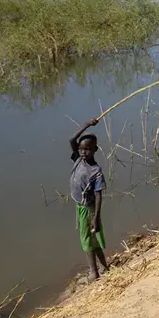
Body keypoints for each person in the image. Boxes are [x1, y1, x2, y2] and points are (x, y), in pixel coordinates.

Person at [69, 118, 109, 280]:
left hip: (89, 209)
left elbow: (99, 194)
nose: (84, 152)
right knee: (93, 239)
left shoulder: (95, 171)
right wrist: (86, 125)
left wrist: (96, 218)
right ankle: (104, 267)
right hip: (81, 206)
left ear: (95, 150)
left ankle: (94, 273)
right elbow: (72, 139)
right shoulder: (78, 160)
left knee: (87, 240)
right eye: (81, 149)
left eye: (88, 149)